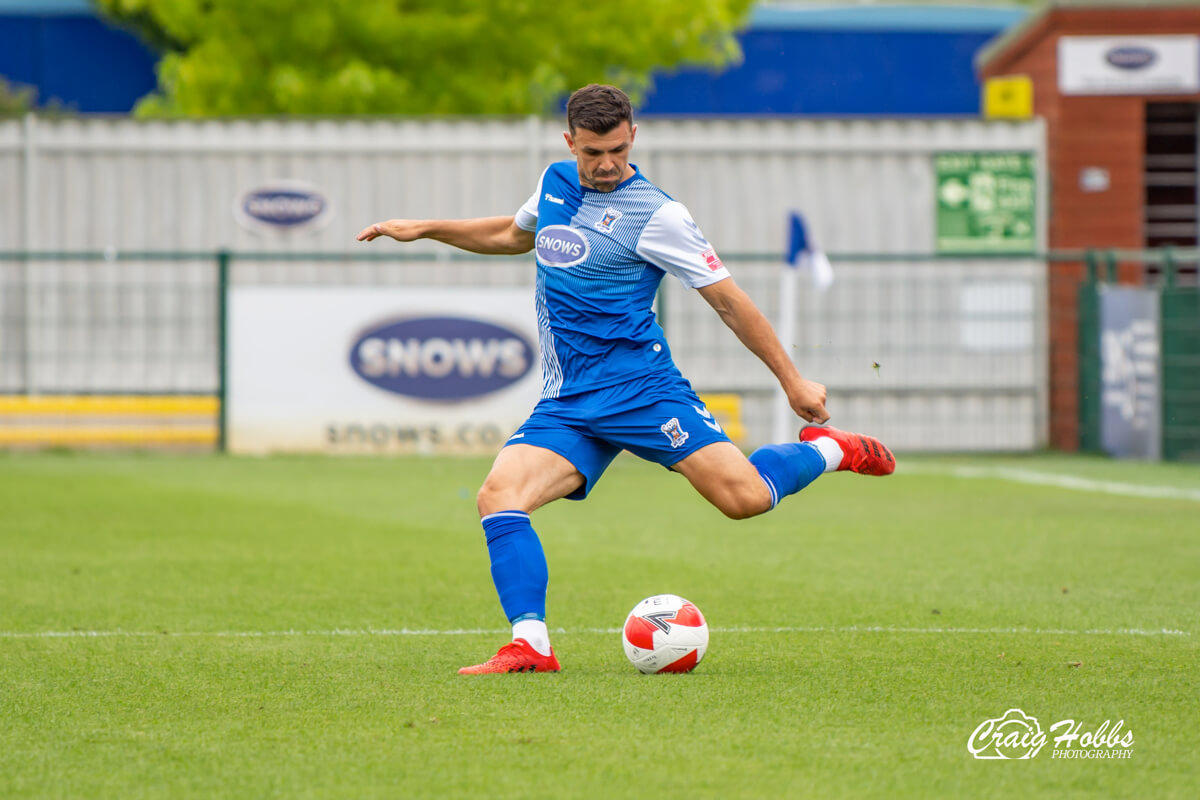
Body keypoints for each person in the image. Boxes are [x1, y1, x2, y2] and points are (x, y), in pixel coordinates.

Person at [357, 84, 894, 675]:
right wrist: (426, 227)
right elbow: (513, 235)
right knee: (499, 496)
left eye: (616, 148)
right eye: (592, 153)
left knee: (743, 500)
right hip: (569, 400)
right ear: (570, 143)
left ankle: (824, 451)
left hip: (643, 390)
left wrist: (793, 382)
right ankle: (531, 645)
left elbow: (730, 303)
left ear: (633, 135)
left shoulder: (660, 215)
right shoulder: (555, 183)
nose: (606, 163)